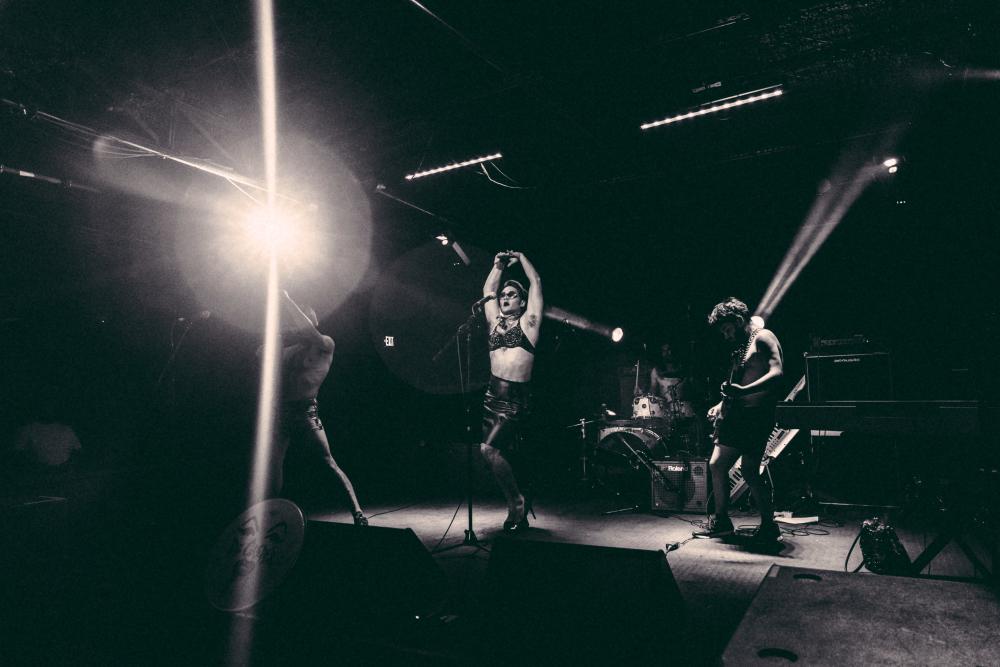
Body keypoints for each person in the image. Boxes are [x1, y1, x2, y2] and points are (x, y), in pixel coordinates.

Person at [266, 290, 367, 525]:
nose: (295, 323)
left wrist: (286, 300)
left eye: (301, 318)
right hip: (280, 413)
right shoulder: (289, 350)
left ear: (312, 321)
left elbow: (306, 328)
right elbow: (263, 354)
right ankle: (271, 515)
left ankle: (357, 512)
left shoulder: (324, 344)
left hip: (306, 414)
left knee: (328, 462)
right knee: (273, 467)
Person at [694, 297, 783, 543]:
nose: (725, 335)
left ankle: (767, 525)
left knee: (749, 471)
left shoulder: (764, 336)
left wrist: (743, 392)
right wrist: (721, 403)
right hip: (739, 416)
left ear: (738, 320)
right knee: (718, 464)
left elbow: (778, 373)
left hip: (756, 417)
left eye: (727, 329)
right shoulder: (742, 346)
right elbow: (738, 385)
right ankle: (725, 521)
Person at [480, 250, 543, 533]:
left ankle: (517, 502)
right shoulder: (495, 322)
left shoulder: (529, 322)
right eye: (504, 294)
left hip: (516, 398)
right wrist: (498, 266)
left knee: (488, 450)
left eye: (512, 295)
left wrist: (522, 257)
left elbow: (536, 281)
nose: (504, 298)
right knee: (492, 453)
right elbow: (487, 290)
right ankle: (515, 503)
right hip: (492, 395)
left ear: (522, 301)